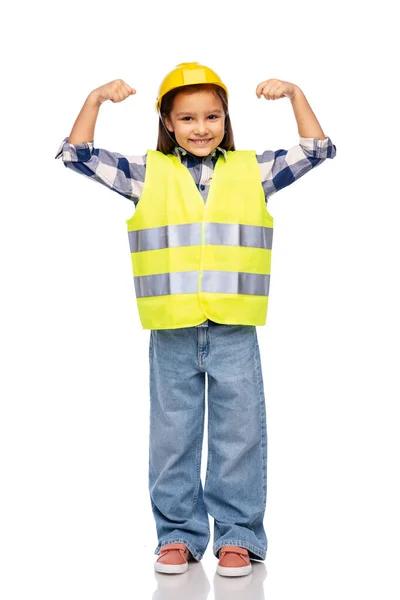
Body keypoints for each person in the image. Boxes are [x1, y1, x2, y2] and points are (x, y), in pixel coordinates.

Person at [55, 62, 337, 577]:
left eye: (212, 115)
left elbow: (317, 149)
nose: (201, 127)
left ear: (226, 118)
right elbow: (77, 155)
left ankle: (237, 536)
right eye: (187, 118)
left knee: (239, 433)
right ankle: (178, 536)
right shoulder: (147, 173)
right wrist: (95, 99)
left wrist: (296, 92)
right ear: (167, 123)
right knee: (172, 435)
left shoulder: (252, 170)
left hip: (233, 327)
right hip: (173, 328)